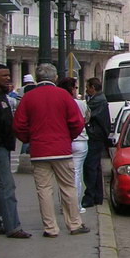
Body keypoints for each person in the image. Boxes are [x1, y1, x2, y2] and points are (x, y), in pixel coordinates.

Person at [14, 63, 89, 238]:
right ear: (55, 78)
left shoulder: (28, 97)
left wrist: (29, 138)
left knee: (44, 190)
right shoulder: (63, 95)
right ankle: (74, 224)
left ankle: (50, 228)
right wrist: (67, 137)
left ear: (38, 77)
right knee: (68, 187)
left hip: (39, 150)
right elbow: (77, 122)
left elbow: (19, 125)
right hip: (62, 149)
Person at [0, 64, 30, 238]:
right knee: (6, 187)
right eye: (3, 75)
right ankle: (13, 226)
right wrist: (2, 138)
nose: (8, 78)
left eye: (8, 75)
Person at [58, 76, 90, 210]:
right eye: (75, 87)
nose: (76, 90)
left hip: (64, 141)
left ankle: (64, 205)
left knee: (63, 176)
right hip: (80, 140)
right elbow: (86, 118)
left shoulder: (59, 102)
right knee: (76, 173)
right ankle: (75, 205)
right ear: (71, 89)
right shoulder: (80, 103)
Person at [82, 77, 110, 207]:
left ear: (93, 87)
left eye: (88, 87)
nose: (86, 90)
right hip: (98, 136)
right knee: (96, 167)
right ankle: (97, 196)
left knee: (90, 166)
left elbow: (87, 115)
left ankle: (90, 196)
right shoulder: (98, 99)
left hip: (95, 137)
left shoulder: (97, 101)